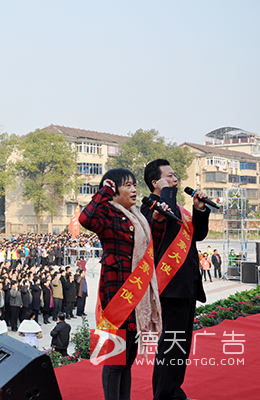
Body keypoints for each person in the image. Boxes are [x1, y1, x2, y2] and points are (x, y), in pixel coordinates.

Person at [80, 168, 167, 400]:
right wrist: (102, 193)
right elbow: (85, 219)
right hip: (117, 297)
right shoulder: (107, 215)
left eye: (135, 184)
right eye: (128, 185)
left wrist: (157, 221)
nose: (134, 189)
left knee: (127, 361)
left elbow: (150, 252)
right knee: (115, 361)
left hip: (137, 300)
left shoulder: (138, 217)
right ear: (113, 189)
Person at [141, 159, 210, 400]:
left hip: (187, 285)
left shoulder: (179, 210)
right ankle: (163, 396)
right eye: (169, 176)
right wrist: (166, 193)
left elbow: (197, 235)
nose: (176, 180)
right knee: (171, 346)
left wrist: (199, 209)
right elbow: (161, 223)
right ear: (155, 182)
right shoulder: (149, 208)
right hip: (169, 287)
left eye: (175, 176)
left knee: (180, 346)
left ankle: (173, 391)